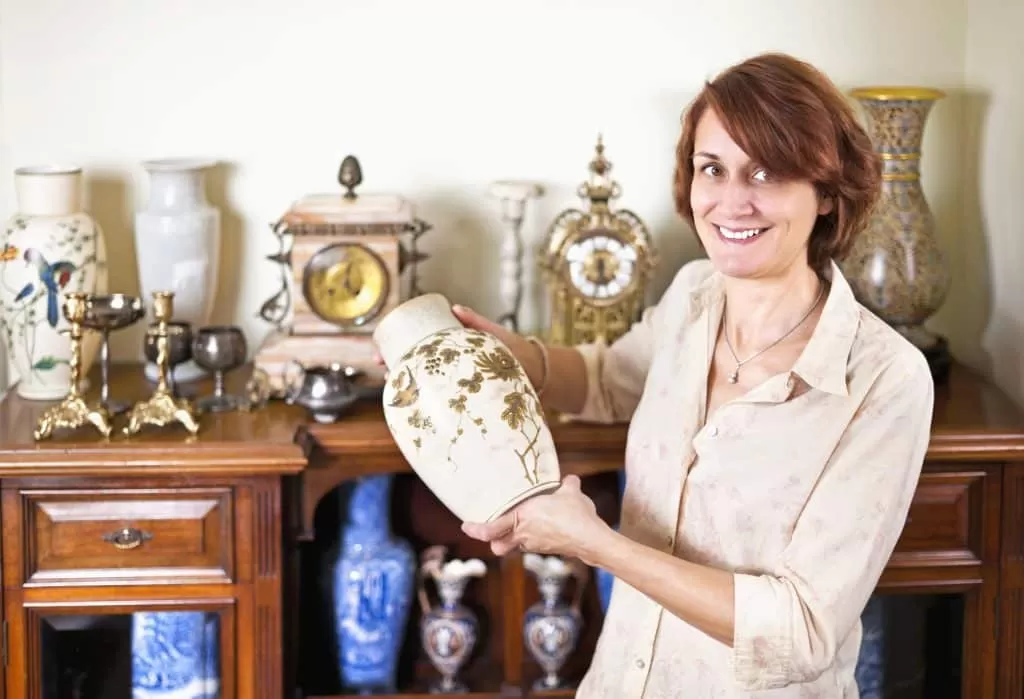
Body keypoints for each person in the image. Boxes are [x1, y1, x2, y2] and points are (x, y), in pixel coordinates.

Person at [441, 52, 936, 696]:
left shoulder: (886, 380)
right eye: (713, 169)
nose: (732, 201)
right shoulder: (693, 294)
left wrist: (598, 545)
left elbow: (802, 630)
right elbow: (609, 378)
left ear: (826, 192)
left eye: (767, 172)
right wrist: (508, 355)